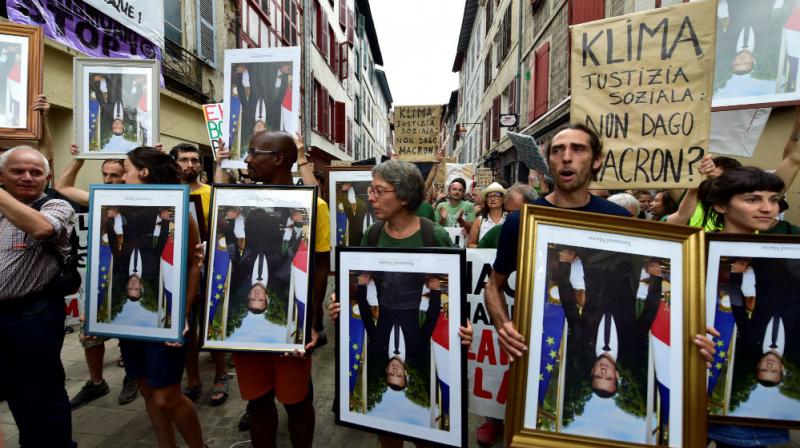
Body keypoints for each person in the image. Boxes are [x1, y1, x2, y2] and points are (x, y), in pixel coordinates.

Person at [480, 123, 630, 446]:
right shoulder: (521, 221)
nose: (566, 158)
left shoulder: (619, 221)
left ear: (597, 160)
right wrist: (503, 324)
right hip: (536, 350)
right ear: (548, 161)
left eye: (578, 149)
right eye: (558, 151)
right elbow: (493, 286)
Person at [327, 160, 472, 448]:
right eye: (371, 189)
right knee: (388, 435)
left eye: (379, 190)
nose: (371, 197)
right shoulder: (373, 234)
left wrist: (462, 326)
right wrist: (342, 302)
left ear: (404, 197)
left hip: (412, 304)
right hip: (393, 302)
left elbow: (451, 295)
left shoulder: (434, 236)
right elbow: (359, 283)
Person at [232, 131, 331, 447]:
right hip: (248, 327)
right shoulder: (239, 202)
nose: (247, 159)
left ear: (277, 159)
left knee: (296, 401)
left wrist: (312, 323)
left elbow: (319, 268)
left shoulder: (315, 206)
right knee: (257, 402)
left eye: (253, 152)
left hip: (290, 324)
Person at [699, 166, 796, 448]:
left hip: (739, 399)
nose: (768, 208)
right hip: (691, 376)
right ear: (720, 205)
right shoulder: (692, 251)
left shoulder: (786, 258)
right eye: (753, 199)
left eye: (774, 199)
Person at [118, 147, 206, 448]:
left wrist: (182, 312)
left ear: (142, 173)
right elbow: (65, 189)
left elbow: (195, 265)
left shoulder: (180, 212)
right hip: (131, 315)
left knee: (167, 394)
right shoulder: (116, 208)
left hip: (166, 314)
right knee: (146, 389)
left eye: (125, 168)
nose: (121, 174)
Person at [0, 146, 76, 447]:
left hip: (34, 315)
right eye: (18, 171)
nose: (28, 177)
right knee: (15, 392)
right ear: (3, 175)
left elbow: (43, 229)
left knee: (44, 393)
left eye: (36, 172)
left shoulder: (55, 206)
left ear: (47, 177)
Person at [54, 145, 140, 408]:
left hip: (131, 275)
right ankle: (96, 383)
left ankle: (132, 377)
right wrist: (80, 158)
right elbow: (63, 186)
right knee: (89, 332)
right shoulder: (99, 198)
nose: (111, 180)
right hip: (100, 275)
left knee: (130, 331)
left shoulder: (142, 198)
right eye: (106, 174)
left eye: (117, 174)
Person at [170, 143, 230, 407]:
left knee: (211, 323)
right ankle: (192, 380)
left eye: (194, 159)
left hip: (210, 266)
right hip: (178, 269)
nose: (190, 164)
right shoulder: (168, 193)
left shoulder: (208, 192)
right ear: (174, 163)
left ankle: (221, 375)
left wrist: (221, 165)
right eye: (184, 160)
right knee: (187, 329)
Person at [467, 182, 506, 248]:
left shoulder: (509, 219)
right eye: (490, 196)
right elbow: (470, 244)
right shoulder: (479, 221)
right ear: (486, 200)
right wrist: (484, 248)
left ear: (503, 199)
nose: (493, 199)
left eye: (497, 195)